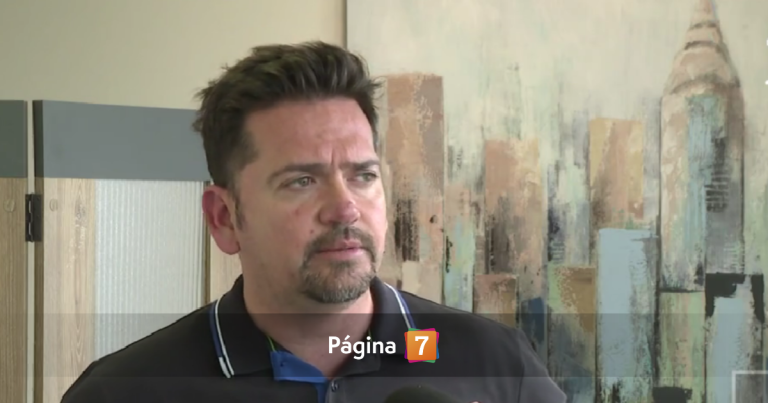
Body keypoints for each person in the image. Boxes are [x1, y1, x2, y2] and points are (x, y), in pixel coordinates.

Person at [60, 41, 567, 403]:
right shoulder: (124, 390)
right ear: (225, 218)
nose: (345, 208)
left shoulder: (499, 366)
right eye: (301, 181)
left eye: (363, 176)